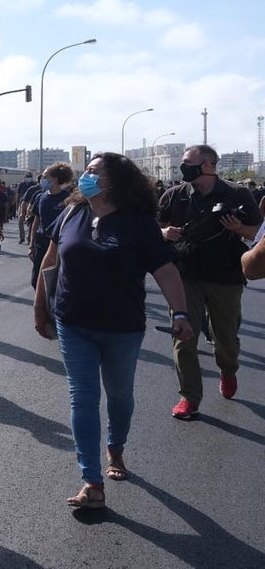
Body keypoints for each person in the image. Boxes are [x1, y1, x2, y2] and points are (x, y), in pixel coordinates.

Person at [34, 153, 189, 509]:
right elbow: (51, 260)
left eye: (93, 171)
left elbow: (165, 270)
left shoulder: (139, 223)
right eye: (85, 170)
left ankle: (115, 446)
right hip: (73, 323)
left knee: (120, 397)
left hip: (122, 328)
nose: (85, 176)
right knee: (83, 398)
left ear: (115, 181)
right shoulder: (72, 213)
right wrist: (40, 306)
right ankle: (92, 480)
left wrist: (181, 312)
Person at [157, 144, 262, 417]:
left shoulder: (237, 193)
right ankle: (189, 397)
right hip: (183, 277)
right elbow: (151, 229)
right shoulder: (174, 196)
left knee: (224, 337)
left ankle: (228, 369)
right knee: (183, 336)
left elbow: (258, 234)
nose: (183, 167)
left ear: (208, 165)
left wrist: (239, 228)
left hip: (225, 277)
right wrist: (164, 232)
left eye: (189, 162)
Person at [27, 163, 74, 289]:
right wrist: (31, 244)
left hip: (60, 244)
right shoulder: (40, 197)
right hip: (41, 243)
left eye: (45, 176)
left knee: (57, 280)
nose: (42, 179)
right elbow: (36, 222)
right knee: (36, 279)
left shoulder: (68, 198)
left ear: (55, 179)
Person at [18, 175, 43, 244]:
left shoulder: (50, 190)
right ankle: (22, 237)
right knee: (22, 221)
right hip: (30, 208)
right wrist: (23, 212)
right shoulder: (32, 189)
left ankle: (30, 238)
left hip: (40, 211)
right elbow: (24, 201)